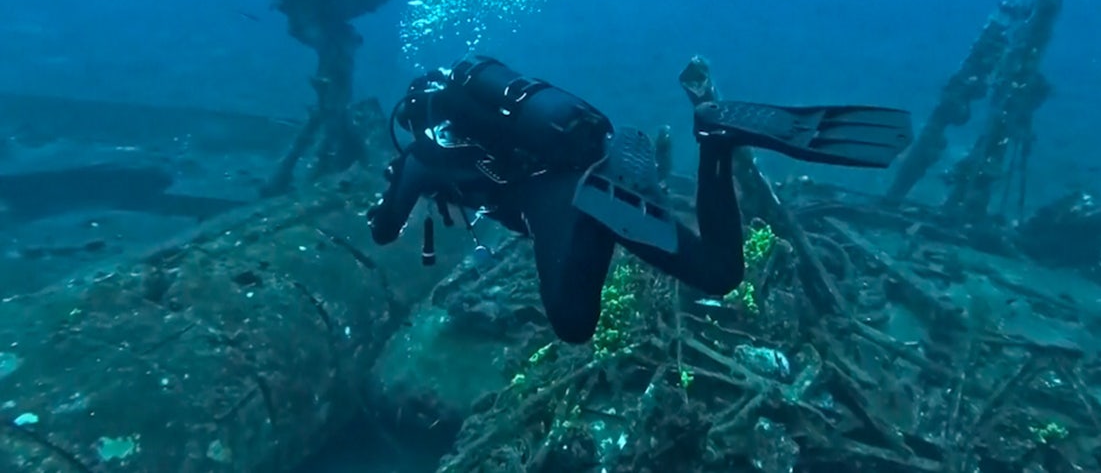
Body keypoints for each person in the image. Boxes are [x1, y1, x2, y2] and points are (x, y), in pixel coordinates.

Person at [368, 55, 912, 343]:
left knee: (573, 323)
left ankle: (598, 206)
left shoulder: (421, 157)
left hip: (560, 191)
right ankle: (715, 136)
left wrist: (392, 196)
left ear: (416, 121)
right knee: (720, 272)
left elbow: (385, 229)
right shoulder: (493, 114)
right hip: (598, 151)